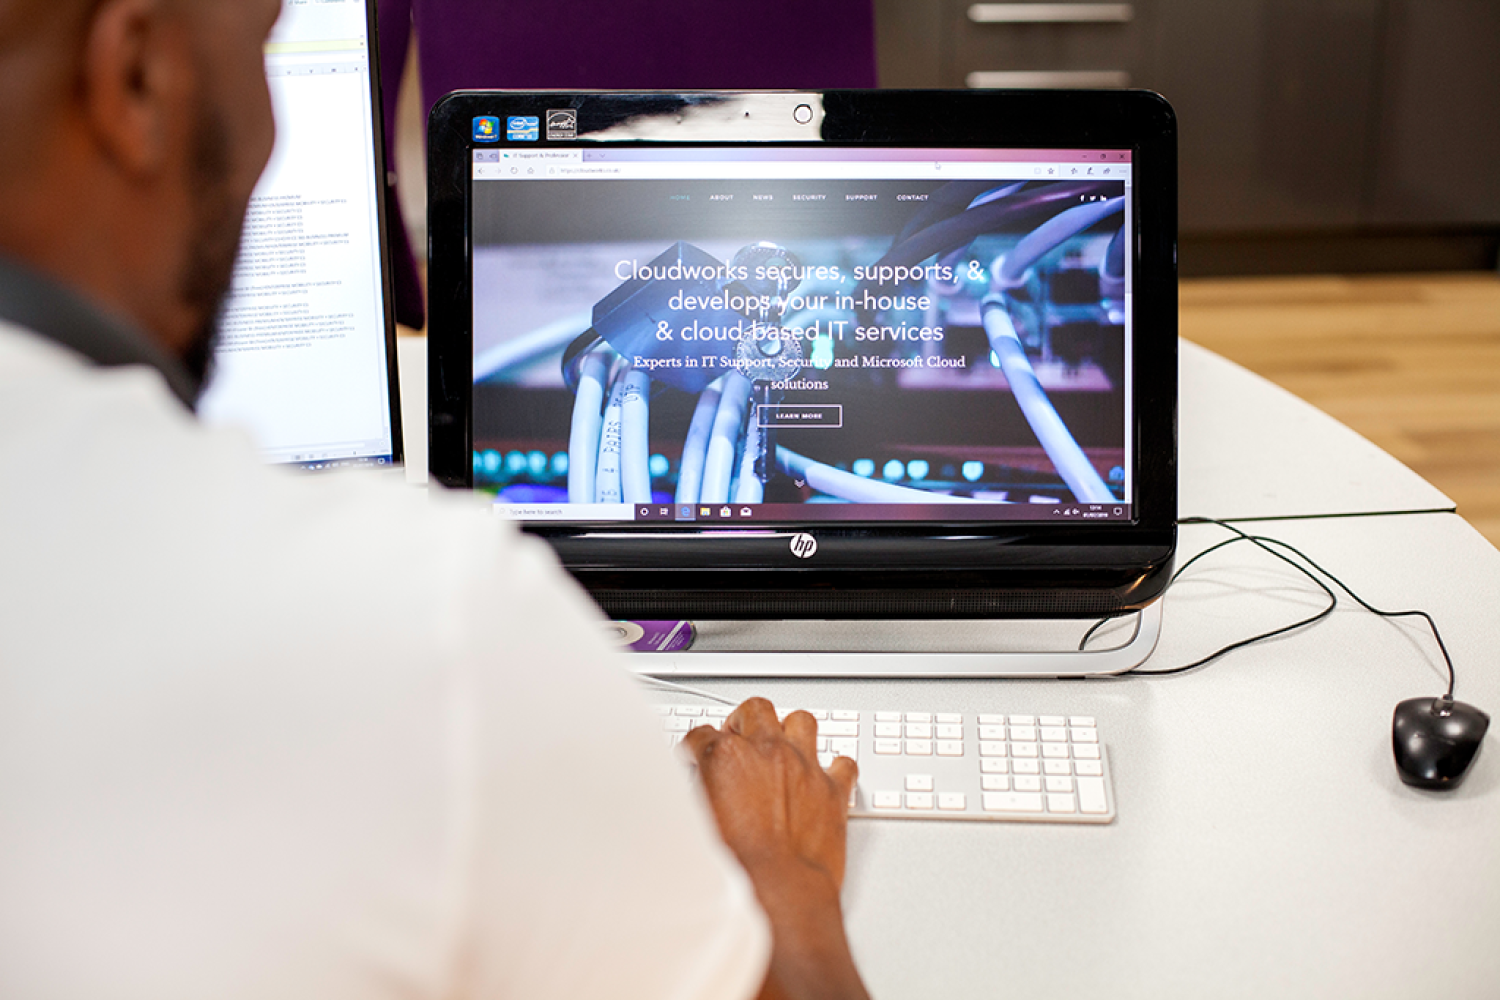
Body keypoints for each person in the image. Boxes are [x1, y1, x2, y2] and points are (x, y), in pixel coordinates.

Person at [0, 3, 869, 999]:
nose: (275, 135)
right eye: (263, 50)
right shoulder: (435, 622)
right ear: (136, 78)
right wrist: (780, 880)